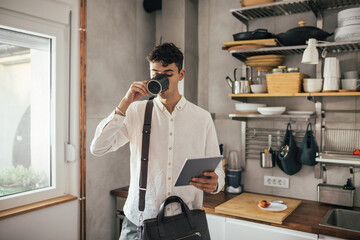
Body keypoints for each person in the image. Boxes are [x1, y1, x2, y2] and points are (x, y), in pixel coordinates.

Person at [90, 42, 225, 239]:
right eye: (155, 73)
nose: (161, 79)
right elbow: (98, 148)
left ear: (181, 74)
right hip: (139, 222)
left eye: (168, 74)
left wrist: (216, 183)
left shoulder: (201, 118)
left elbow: (217, 170)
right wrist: (125, 102)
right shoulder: (136, 111)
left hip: (185, 223)